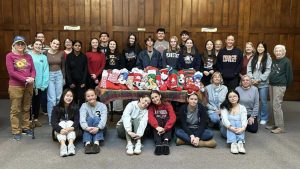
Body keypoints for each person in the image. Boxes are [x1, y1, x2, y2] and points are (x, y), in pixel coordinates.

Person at [6, 36, 36, 140]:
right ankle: (16, 130)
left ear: (25, 45)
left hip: (28, 85)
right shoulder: (10, 56)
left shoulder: (28, 56)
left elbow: (33, 69)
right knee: (15, 109)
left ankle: (25, 127)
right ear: (14, 45)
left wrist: (32, 77)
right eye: (18, 44)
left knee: (26, 107)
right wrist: (25, 79)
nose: (20, 45)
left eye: (22, 44)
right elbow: (11, 72)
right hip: (16, 86)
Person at [267, 45, 293, 134]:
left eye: (280, 51)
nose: (278, 52)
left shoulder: (286, 61)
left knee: (277, 105)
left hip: (279, 86)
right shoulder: (274, 61)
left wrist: (284, 86)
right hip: (272, 85)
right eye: (276, 50)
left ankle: (280, 127)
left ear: (283, 52)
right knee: (273, 105)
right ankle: (276, 124)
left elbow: (289, 76)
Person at [247, 42, 272, 125]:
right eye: (258, 47)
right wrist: (252, 78)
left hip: (263, 84)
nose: (260, 48)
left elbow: (268, 70)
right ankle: (255, 116)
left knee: (263, 101)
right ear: (256, 48)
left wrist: (260, 79)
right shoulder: (254, 57)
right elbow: (249, 68)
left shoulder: (268, 58)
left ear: (264, 48)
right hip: (253, 83)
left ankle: (264, 117)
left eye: (262, 47)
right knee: (254, 101)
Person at [51, 89, 79, 157]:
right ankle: (63, 146)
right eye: (67, 95)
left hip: (72, 130)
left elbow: (77, 121)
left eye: (71, 96)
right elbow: (53, 122)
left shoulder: (75, 107)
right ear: (63, 96)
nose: (69, 98)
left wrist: (70, 128)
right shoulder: (56, 108)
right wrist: (61, 129)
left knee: (69, 122)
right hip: (60, 131)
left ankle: (70, 145)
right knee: (62, 123)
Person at [28, 39, 49, 127]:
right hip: (29, 83)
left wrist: (44, 84)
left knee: (37, 102)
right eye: (36, 44)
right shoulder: (28, 55)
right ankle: (29, 120)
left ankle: (35, 119)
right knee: (29, 102)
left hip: (39, 84)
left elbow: (45, 70)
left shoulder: (43, 57)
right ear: (33, 45)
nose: (38, 46)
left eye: (40, 44)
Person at [148, 90, 176, 155]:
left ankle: (166, 141)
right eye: (153, 98)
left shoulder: (167, 105)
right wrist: (157, 127)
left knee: (167, 118)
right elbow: (150, 118)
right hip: (157, 130)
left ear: (160, 96)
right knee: (157, 118)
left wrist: (165, 128)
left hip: (167, 129)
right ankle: (158, 142)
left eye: (156, 97)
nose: (155, 99)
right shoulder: (151, 107)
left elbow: (173, 117)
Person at [80, 89, 108, 154]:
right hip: (88, 128)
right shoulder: (84, 105)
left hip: (100, 128)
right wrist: (87, 128)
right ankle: (87, 144)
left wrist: (98, 128)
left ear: (96, 96)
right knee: (89, 119)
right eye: (88, 96)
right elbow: (82, 119)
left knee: (96, 118)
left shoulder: (102, 106)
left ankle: (96, 143)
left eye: (92, 95)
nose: (90, 97)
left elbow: (103, 119)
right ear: (86, 98)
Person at [220, 90, 247, 154]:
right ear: (227, 98)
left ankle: (240, 143)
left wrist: (242, 128)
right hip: (226, 130)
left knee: (239, 122)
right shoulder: (224, 107)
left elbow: (244, 120)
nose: (233, 98)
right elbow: (224, 120)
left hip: (239, 129)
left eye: (235, 96)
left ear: (238, 97)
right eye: (230, 97)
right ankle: (233, 143)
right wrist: (231, 128)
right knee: (231, 121)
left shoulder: (242, 108)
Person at [46, 38, 65, 123]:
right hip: (49, 75)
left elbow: (63, 67)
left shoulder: (61, 53)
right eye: (54, 43)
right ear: (50, 43)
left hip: (59, 75)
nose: (56, 45)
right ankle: (51, 119)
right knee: (51, 99)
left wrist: (64, 78)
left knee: (59, 97)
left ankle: (58, 117)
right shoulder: (45, 53)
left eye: (57, 44)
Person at [66, 40, 87, 106]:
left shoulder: (84, 56)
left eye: (79, 46)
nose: (77, 47)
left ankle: (81, 113)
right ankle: (73, 113)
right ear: (73, 46)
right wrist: (70, 82)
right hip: (72, 82)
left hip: (81, 81)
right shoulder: (69, 56)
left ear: (81, 47)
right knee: (72, 98)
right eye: (76, 45)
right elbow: (67, 70)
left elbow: (85, 70)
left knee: (82, 98)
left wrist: (84, 82)